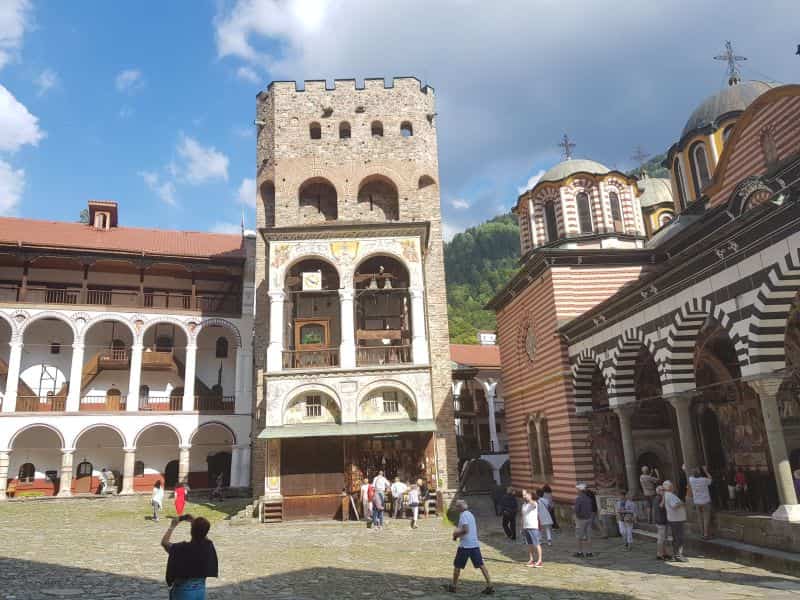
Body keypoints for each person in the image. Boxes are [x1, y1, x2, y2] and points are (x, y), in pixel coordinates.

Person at [161, 515, 218, 599]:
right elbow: (203, 533)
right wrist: (195, 522)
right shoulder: (208, 546)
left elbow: (164, 543)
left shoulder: (181, 548)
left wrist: (172, 526)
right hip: (200, 590)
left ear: (191, 531)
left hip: (183, 591)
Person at [444, 499, 494, 595]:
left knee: (457, 566)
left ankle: (453, 586)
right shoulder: (470, 514)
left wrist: (455, 535)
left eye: (457, 506)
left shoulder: (463, 516)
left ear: (460, 507)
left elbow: (466, 530)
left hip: (465, 546)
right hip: (474, 544)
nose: (456, 508)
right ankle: (489, 585)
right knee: (481, 565)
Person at [663, 480, 688, 562]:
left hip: (675, 519)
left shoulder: (668, 495)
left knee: (677, 538)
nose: (673, 487)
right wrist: (682, 503)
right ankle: (678, 555)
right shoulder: (670, 495)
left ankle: (676, 555)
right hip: (676, 520)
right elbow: (674, 506)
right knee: (679, 538)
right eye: (672, 486)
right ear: (669, 487)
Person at [688, 466, 713, 539]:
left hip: (697, 501)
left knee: (700, 518)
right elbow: (711, 479)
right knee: (706, 518)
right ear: (700, 473)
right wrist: (706, 471)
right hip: (705, 501)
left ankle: (702, 533)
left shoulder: (691, 480)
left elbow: (691, 475)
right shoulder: (704, 480)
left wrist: (694, 471)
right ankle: (706, 534)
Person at [521, 490, 542, 568]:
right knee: (529, 544)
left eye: (525, 495)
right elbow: (522, 516)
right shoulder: (524, 505)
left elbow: (533, 504)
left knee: (536, 544)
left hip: (533, 526)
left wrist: (530, 499)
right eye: (523, 495)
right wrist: (522, 527)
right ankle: (531, 559)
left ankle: (539, 561)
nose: (524, 496)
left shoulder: (534, 503)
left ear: (530, 495)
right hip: (526, 526)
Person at [573, 483, 594, 558]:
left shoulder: (578, 499)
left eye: (577, 490)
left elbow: (576, 510)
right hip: (588, 518)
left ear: (580, 490)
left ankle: (580, 552)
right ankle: (589, 552)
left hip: (581, 519)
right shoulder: (588, 498)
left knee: (579, 537)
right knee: (589, 537)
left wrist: (576, 516)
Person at [653, 485, 672, 561]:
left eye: (664, 490)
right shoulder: (658, 498)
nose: (664, 491)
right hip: (661, 521)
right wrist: (664, 497)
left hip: (664, 521)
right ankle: (659, 554)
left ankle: (664, 553)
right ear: (658, 491)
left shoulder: (659, 498)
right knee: (661, 539)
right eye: (662, 490)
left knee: (664, 538)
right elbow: (661, 506)